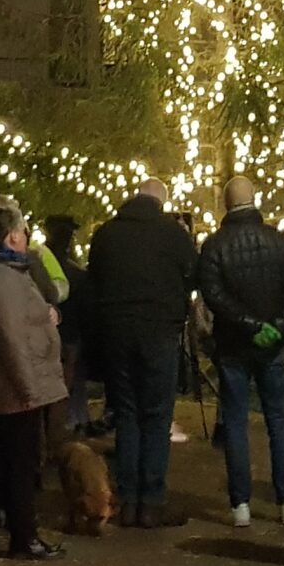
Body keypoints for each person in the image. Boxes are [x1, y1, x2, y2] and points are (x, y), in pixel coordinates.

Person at [85, 177, 196, 526]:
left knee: (128, 414)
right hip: (159, 331)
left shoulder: (106, 234)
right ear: (161, 202)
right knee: (157, 415)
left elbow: (94, 280)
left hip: (116, 332)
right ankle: (151, 499)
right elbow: (192, 276)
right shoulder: (172, 234)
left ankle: (128, 497)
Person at [0, 207, 69, 560]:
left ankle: (23, 531)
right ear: (12, 236)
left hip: (13, 383)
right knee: (21, 463)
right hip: (18, 386)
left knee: (17, 460)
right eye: (24, 231)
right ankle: (24, 536)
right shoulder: (2, 279)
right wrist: (28, 388)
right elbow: (10, 337)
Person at [196, 174, 284, 528]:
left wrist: (247, 325)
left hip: (232, 345)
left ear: (226, 204)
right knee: (278, 421)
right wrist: (276, 326)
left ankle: (240, 503)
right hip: (271, 345)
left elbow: (214, 295)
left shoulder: (214, 247)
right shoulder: (282, 243)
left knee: (237, 423)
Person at [44, 214, 92, 433]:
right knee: (70, 383)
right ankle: (72, 422)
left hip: (48, 333)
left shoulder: (38, 261)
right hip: (70, 335)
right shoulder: (75, 272)